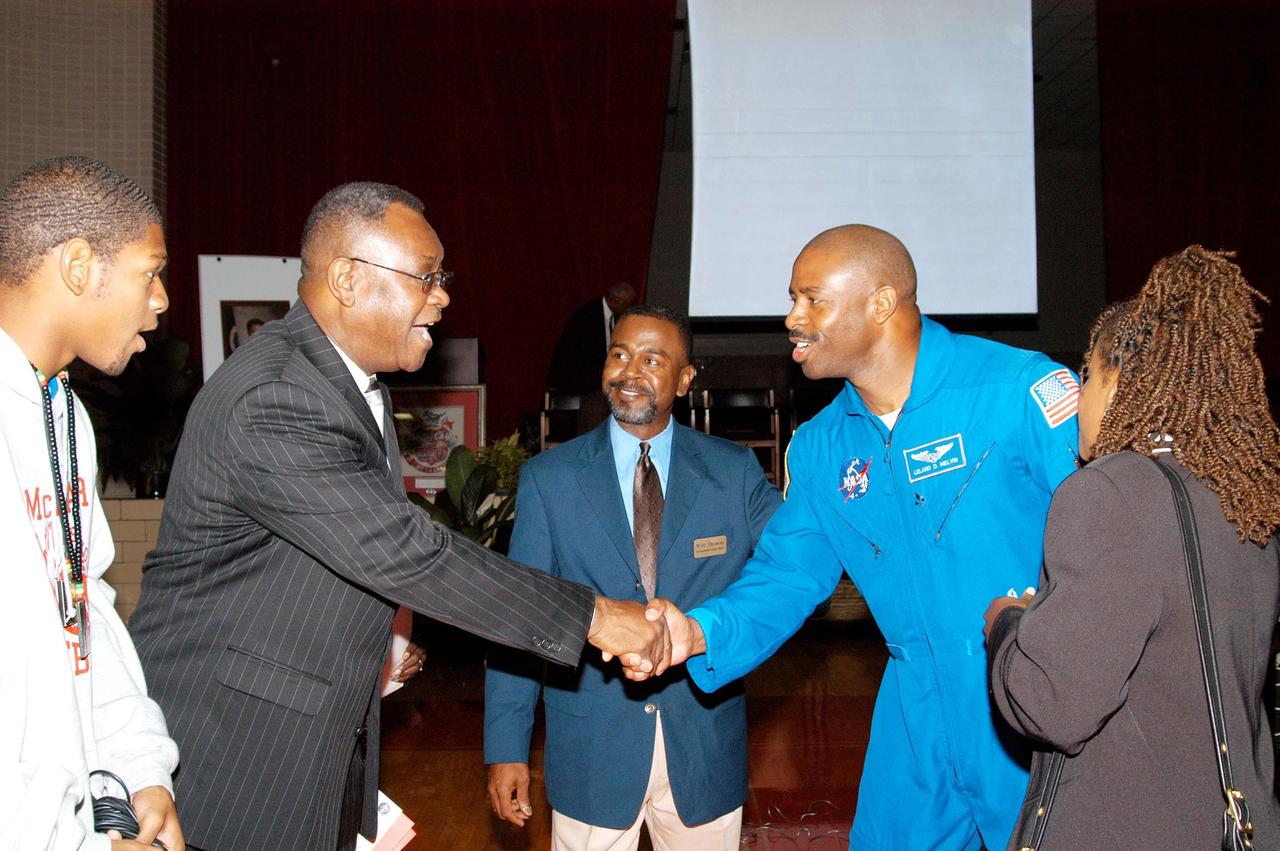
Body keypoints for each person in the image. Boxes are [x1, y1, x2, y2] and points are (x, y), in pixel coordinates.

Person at [127, 182, 668, 851]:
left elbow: (325, 554)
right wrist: (596, 616)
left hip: (308, 743)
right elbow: (405, 551)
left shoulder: (349, 385)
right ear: (348, 279)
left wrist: (378, 638)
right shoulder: (277, 395)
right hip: (240, 758)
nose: (441, 297)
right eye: (426, 277)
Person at [644, 225, 1080, 850]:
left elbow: (1110, 539)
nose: (792, 318)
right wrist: (699, 631)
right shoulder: (822, 446)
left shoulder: (1017, 391)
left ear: (880, 303)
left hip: (1032, 693)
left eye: (812, 299)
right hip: (913, 716)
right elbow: (788, 574)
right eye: (792, 298)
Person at [984, 246, 1280, 849]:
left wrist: (1007, 625)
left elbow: (1053, 705)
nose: (1080, 398)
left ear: (1120, 381)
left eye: (1088, 375)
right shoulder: (1242, 494)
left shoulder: (1110, 492)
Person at [485, 305, 780, 850]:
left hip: (704, 748)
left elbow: (793, 566)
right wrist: (507, 748)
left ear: (685, 380)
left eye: (651, 359)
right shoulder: (550, 479)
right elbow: (522, 620)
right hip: (591, 751)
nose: (630, 371)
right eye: (619, 354)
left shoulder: (733, 471)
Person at [0, 156, 183, 850]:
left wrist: (140, 769)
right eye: (150, 272)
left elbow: (83, 608)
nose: (161, 299)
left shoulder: (62, 412)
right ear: (78, 266)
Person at [546, 281, 638, 394]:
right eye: (628, 304)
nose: (629, 308)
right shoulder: (588, 315)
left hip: (593, 382)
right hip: (577, 383)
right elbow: (581, 355)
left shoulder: (615, 317)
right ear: (617, 301)